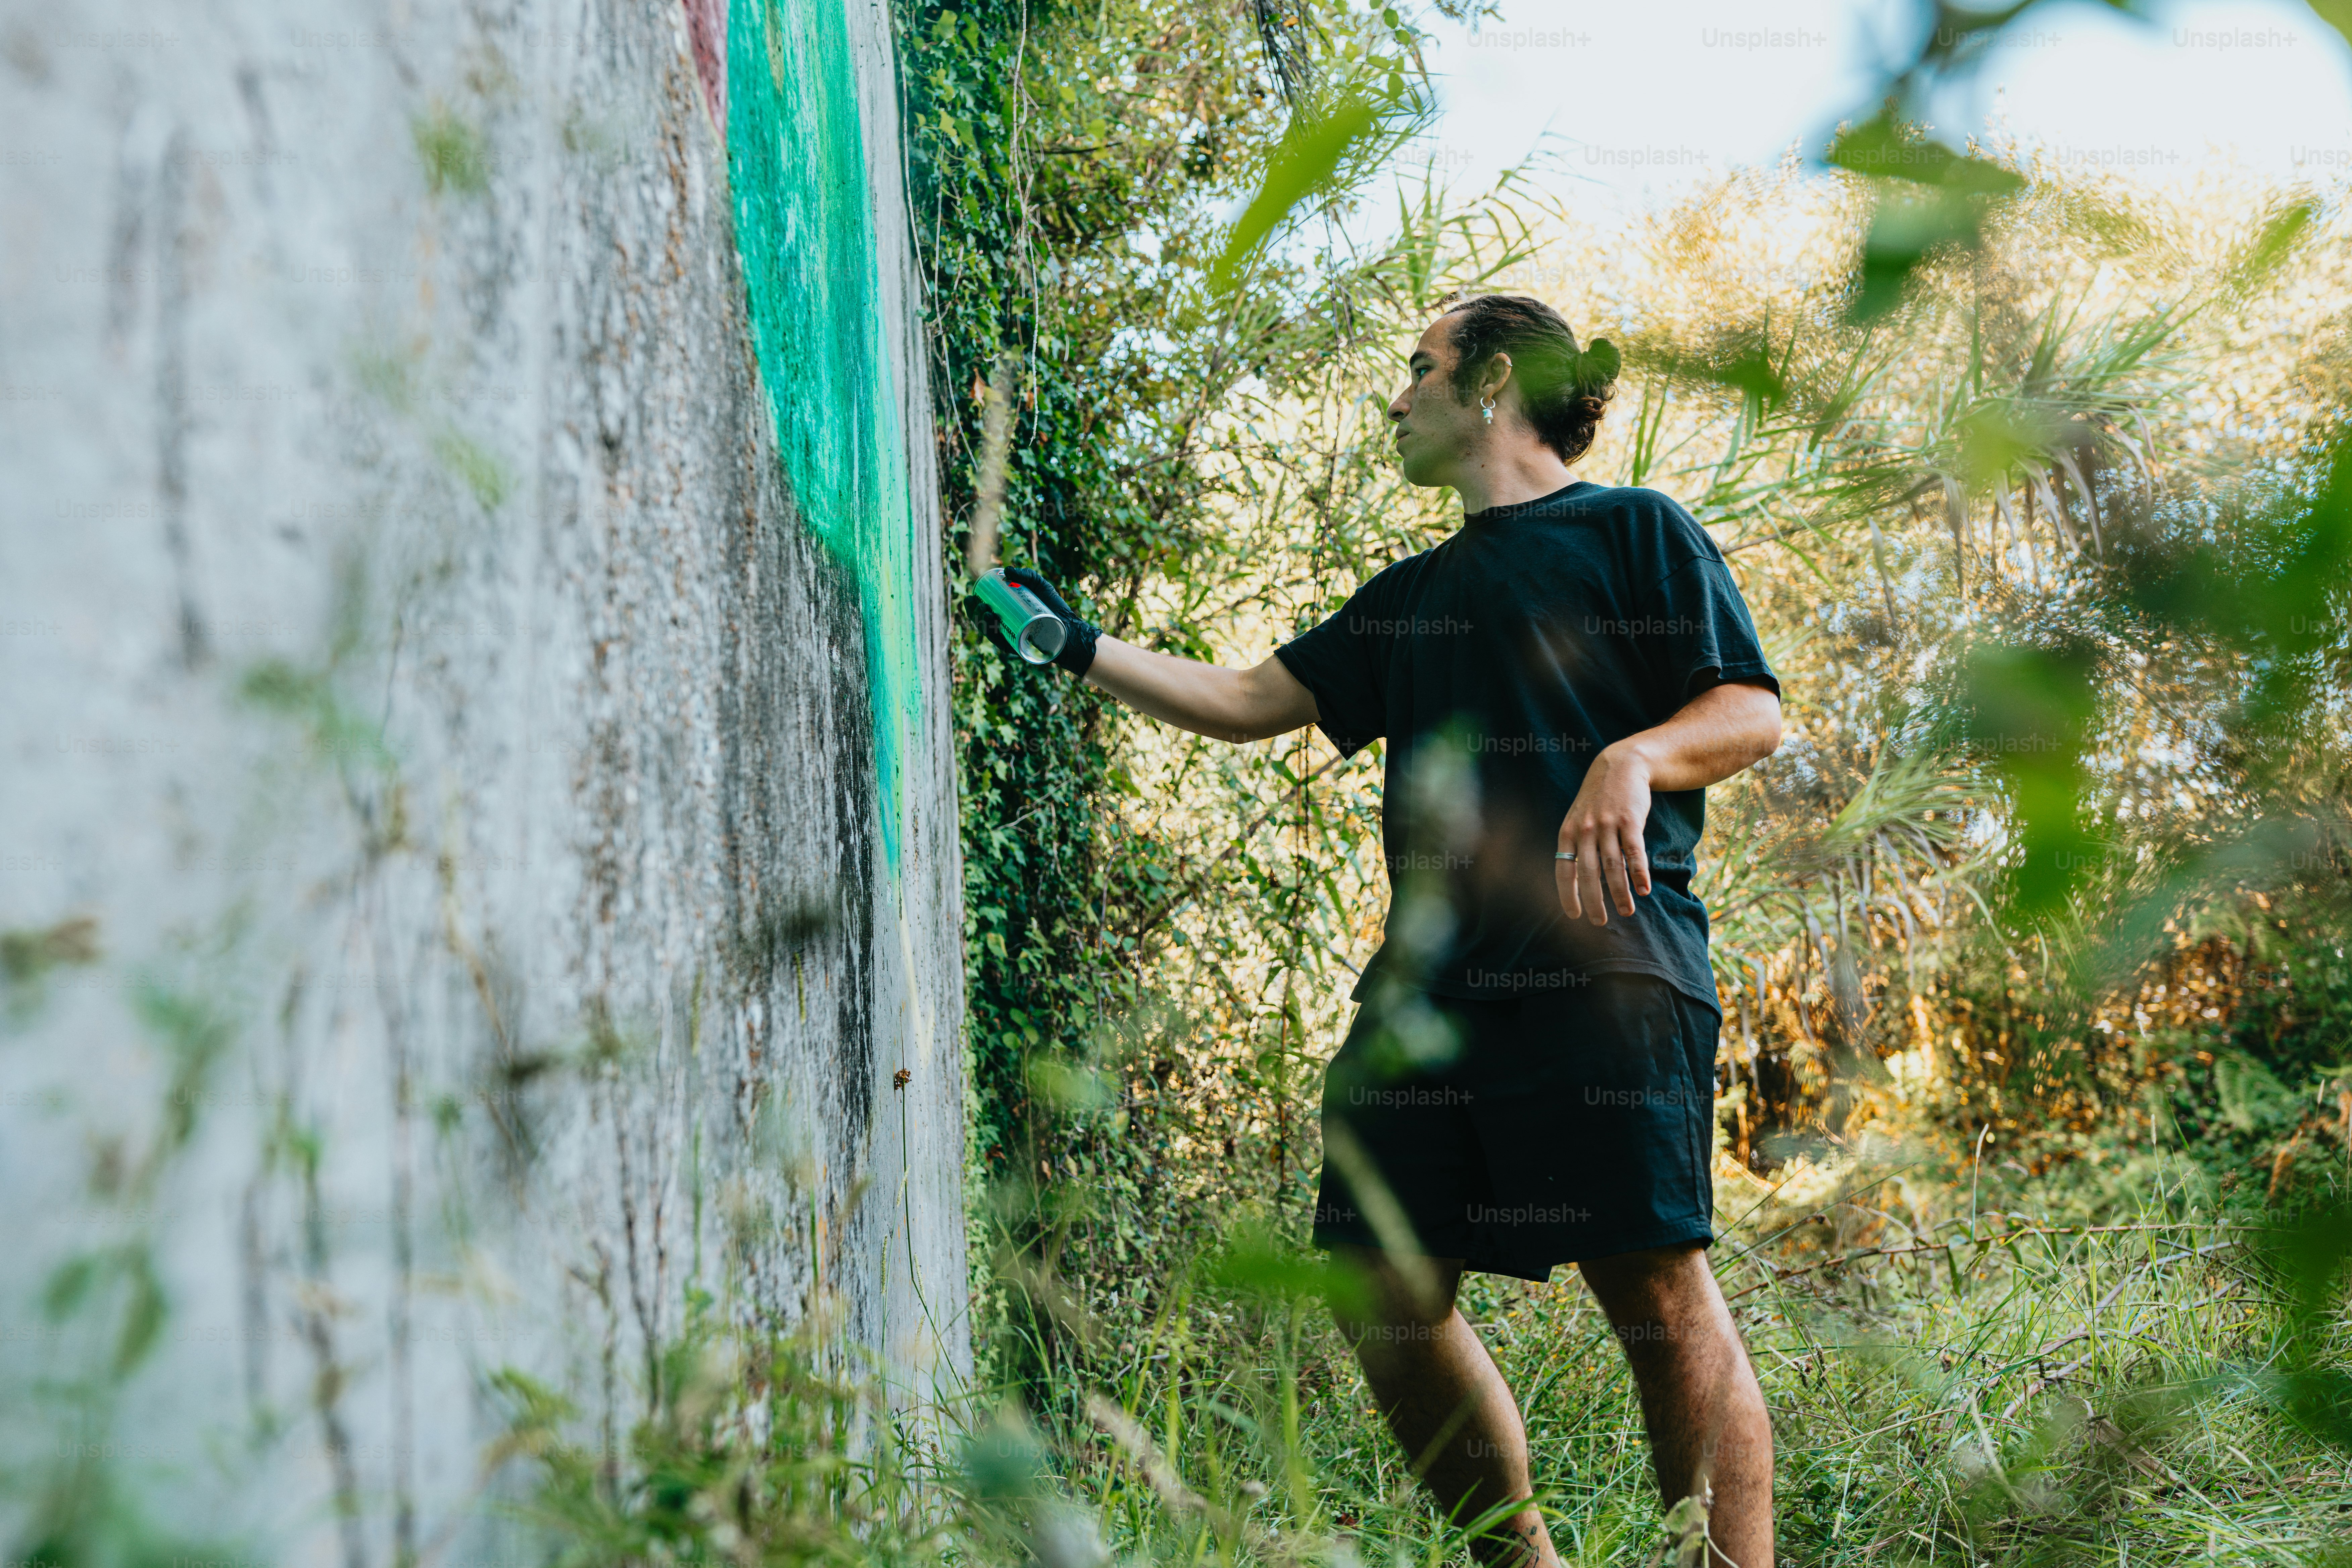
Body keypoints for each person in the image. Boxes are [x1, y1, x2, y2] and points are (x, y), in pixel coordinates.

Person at [988, 293, 1782, 1568]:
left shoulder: (1635, 530)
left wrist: (1636, 757)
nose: (1396, 396)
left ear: (1493, 382)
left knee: (1651, 1291)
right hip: (1426, 1003)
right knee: (1375, 1286)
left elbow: (1748, 712)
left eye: (1419, 369)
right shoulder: (1408, 596)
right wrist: (1068, 643)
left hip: (1606, 962)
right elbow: (1249, 700)